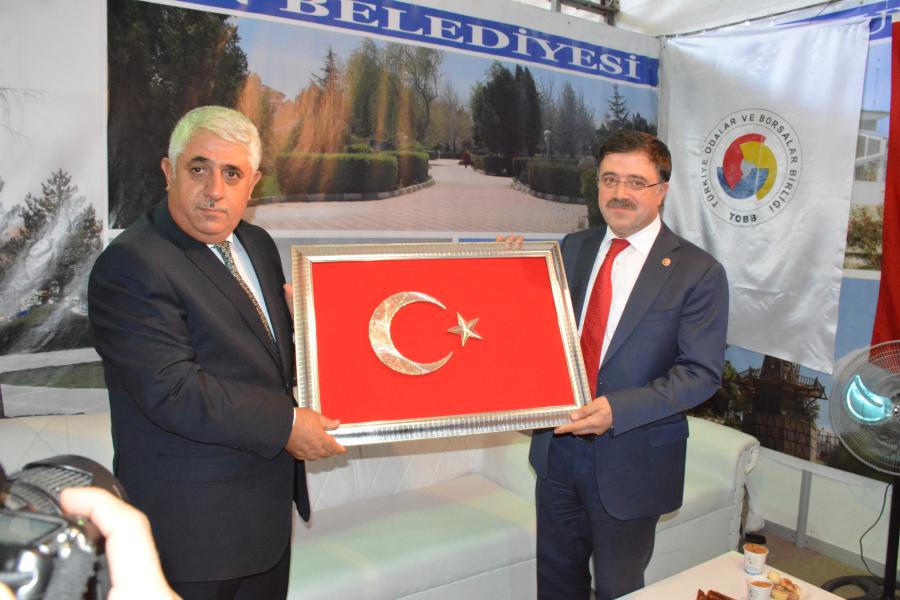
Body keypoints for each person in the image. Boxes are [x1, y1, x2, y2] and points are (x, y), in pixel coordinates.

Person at [88, 106, 345, 599]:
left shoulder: (257, 243)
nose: (214, 190)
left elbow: (260, 359)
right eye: (198, 168)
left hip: (264, 521)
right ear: (169, 172)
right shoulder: (132, 263)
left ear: (254, 183)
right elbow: (173, 390)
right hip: (190, 534)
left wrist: (310, 330)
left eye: (232, 174)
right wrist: (287, 426)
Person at [528, 129, 729, 599]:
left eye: (636, 182)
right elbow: (539, 333)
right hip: (557, 451)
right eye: (610, 179)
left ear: (662, 190)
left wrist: (617, 410)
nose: (620, 193)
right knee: (556, 584)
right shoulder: (571, 248)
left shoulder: (698, 272)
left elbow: (701, 373)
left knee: (619, 589)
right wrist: (505, 268)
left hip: (632, 458)